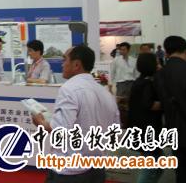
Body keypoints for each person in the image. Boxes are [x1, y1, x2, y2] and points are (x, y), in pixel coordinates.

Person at [32, 45, 119, 183]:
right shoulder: (105, 92)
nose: (62, 64)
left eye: (65, 60)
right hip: (97, 168)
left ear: (76, 64)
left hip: (70, 171)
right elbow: (115, 131)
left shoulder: (70, 89)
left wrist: (41, 123)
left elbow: (59, 130)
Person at [155, 35, 186, 183]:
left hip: (173, 128)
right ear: (185, 49)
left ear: (166, 51)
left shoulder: (160, 74)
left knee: (181, 171)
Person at [128, 53, 163, 183]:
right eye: (156, 62)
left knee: (157, 164)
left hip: (140, 129)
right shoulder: (147, 84)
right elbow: (150, 105)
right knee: (150, 167)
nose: (158, 65)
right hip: (148, 131)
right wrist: (167, 102)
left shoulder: (139, 82)